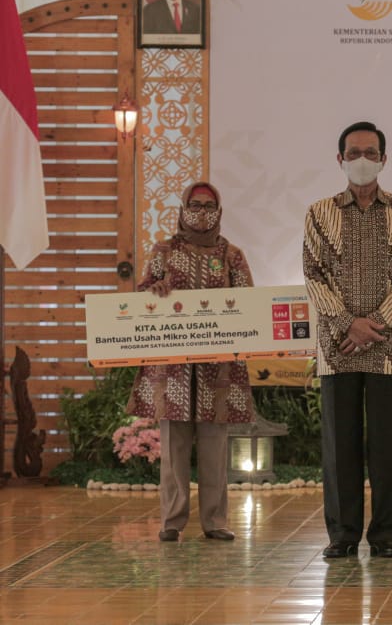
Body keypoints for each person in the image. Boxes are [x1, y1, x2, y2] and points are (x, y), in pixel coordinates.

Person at [304, 121, 392, 560]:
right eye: (354, 153)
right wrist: (347, 324)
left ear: (384, 160)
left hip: (391, 347)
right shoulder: (319, 212)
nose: (362, 161)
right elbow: (313, 274)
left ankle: (386, 536)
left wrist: (372, 324)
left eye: (371, 153)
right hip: (339, 348)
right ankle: (343, 534)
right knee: (340, 446)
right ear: (340, 160)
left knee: (389, 448)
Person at [127, 182, 254, 542]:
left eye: (209, 206)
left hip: (219, 368)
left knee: (215, 447)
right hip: (174, 370)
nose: (201, 212)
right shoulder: (164, 251)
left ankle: (215, 521)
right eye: (195, 205)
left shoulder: (232, 255)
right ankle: (172, 521)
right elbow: (142, 295)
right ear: (183, 209)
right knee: (173, 447)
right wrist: (154, 290)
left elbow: (249, 303)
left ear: (219, 211)